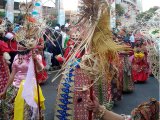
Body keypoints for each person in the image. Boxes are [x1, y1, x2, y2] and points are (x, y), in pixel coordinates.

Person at [0, 49, 45, 120]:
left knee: (27, 112)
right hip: (16, 87)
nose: (19, 46)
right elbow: (12, 74)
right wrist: (5, 90)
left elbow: (40, 70)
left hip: (30, 87)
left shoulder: (36, 56)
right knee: (8, 108)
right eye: (18, 44)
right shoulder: (17, 57)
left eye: (21, 44)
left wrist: (35, 60)